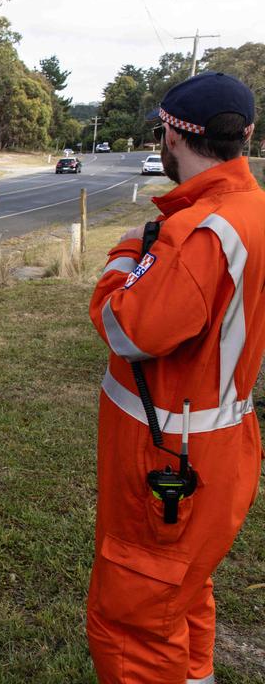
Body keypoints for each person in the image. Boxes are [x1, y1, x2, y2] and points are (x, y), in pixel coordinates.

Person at [87, 71, 265, 683]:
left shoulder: (199, 234)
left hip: (167, 456)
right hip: (215, 442)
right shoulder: (250, 209)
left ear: (173, 135)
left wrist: (125, 257)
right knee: (179, 593)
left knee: (133, 618)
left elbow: (126, 329)